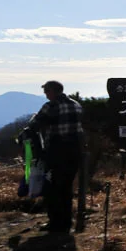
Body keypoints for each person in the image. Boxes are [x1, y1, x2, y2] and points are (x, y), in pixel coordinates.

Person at [25, 80, 83, 234]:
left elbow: (34, 125)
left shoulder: (50, 106)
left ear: (53, 91)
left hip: (56, 151)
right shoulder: (76, 104)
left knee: (52, 187)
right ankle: (66, 222)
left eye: (47, 91)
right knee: (66, 187)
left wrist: (33, 118)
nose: (45, 95)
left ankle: (55, 223)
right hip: (75, 151)